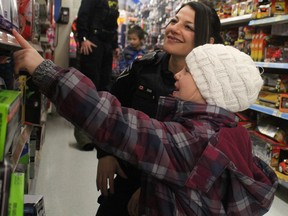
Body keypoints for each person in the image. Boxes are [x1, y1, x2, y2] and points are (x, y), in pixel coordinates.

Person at [13, 28, 278, 215]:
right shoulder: (229, 132)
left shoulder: (196, 140)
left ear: (210, 89)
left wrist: (44, 71)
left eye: (188, 71)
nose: (177, 76)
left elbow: (112, 121)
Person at [96, 1, 225, 215]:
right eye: (175, 20)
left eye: (188, 27)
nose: (174, 28)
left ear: (208, 41)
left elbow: (205, 158)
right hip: (127, 176)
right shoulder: (143, 69)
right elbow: (110, 107)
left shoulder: (210, 89)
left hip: (175, 192)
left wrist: (155, 189)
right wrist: (105, 153)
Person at [75, 0, 120, 150]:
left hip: (106, 46)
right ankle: (82, 133)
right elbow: (83, 15)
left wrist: (115, 45)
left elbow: (113, 23)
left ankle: (97, 132)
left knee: (104, 87)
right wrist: (82, 38)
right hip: (92, 43)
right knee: (89, 87)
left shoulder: (114, 1)